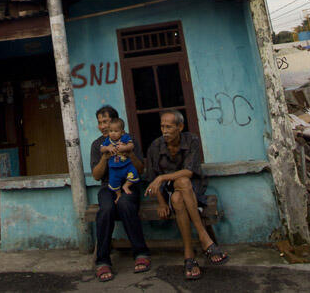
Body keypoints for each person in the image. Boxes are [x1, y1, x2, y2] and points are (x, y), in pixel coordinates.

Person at [144, 109, 229, 280]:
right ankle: (205, 239)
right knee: (176, 196)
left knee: (182, 185)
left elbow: (189, 172)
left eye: (169, 127)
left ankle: (189, 256)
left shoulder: (192, 140)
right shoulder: (155, 146)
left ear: (180, 126)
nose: (165, 131)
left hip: (193, 189)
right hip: (169, 191)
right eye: (162, 127)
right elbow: (152, 179)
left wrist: (162, 177)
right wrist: (161, 203)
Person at [90, 105, 150, 282]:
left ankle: (140, 252)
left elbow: (140, 169)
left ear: (116, 123)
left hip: (129, 184)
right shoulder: (98, 145)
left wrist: (129, 153)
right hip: (108, 186)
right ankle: (102, 261)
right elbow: (96, 176)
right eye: (100, 123)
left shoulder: (129, 140)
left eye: (106, 122)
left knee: (125, 203)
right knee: (106, 209)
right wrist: (104, 158)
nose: (102, 126)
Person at [100, 117, 138, 200]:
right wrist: (107, 148)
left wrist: (124, 148)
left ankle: (126, 186)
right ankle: (118, 194)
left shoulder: (124, 138)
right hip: (114, 168)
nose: (113, 133)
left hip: (126, 165)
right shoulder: (108, 141)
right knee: (113, 182)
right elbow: (102, 149)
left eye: (116, 131)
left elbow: (131, 145)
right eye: (111, 131)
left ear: (122, 132)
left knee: (134, 173)